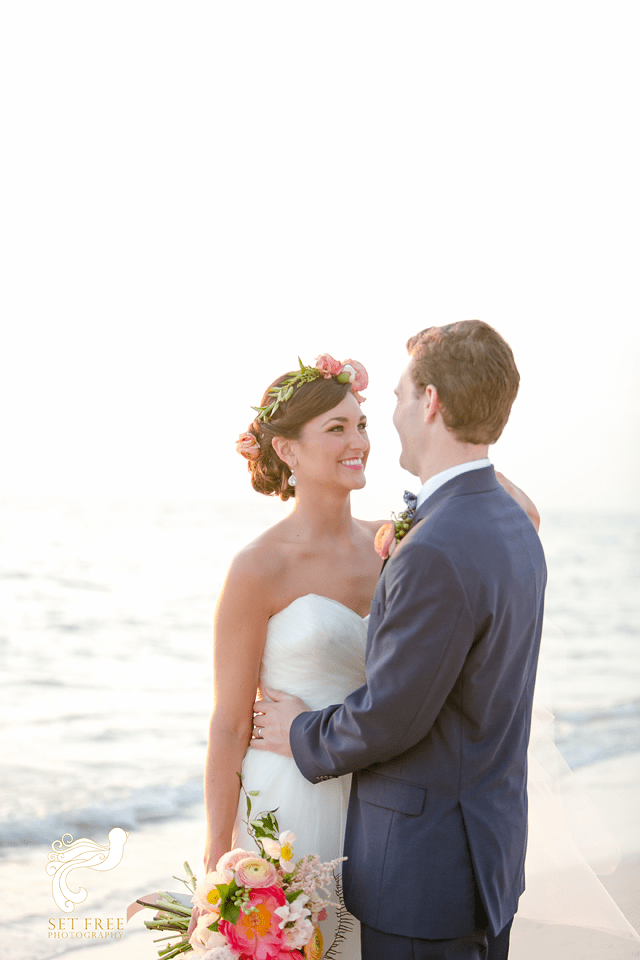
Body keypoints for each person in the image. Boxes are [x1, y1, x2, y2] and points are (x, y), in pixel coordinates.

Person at [194, 341, 540, 959]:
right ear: (286, 448)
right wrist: (216, 855)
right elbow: (227, 724)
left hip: (383, 793)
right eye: (336, 428)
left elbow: (517, 517)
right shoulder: (256, 568)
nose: (359, 441)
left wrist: (471, 445)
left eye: (362, 423)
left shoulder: (397, 537)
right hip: (290, 795)